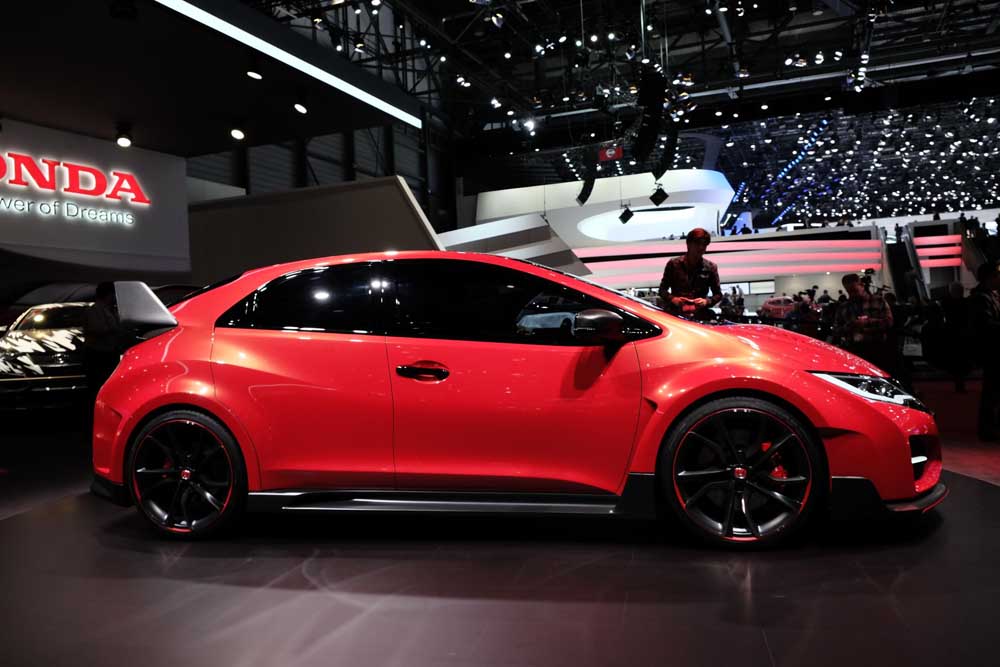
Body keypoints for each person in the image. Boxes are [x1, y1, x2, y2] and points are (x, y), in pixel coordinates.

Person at [834, 273, 894, 372]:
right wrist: (851, 325)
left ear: (862, 285)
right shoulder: (843, 307)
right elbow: (836, 330)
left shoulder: (878, 300)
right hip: (854, 350)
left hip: (877, 347)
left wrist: (866, 323)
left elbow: (889, 322)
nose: (852, 294)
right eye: (848, 291)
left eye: (854, 290)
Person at [659, 227, 722, 320]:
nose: (701, 247)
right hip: (676, 316)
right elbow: (662, 290)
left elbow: (718, 294)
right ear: (688, 244)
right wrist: (673, 299)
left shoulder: (711, 267)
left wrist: (706, 302)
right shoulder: (673, 264)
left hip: (700, 317)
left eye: (704, 244)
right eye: (697, 243)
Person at [969, 261, 1000, 441]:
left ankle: (990, 426)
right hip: (992, 351)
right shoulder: (981, 298)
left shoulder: (988, 296)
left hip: (992, 350)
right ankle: (988, 428)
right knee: (992, 391)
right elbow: (986, 326)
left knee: (993, 390)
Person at [83, 282, 125, 400]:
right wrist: (115, 329)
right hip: (98, 353)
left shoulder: (111, 309)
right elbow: (97, 329)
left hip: (109, 351)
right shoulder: (94, 310)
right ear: (108, 295)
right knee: (98, 383)